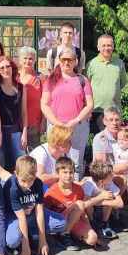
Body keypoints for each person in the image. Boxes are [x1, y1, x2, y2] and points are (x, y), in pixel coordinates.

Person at [41, 47, 94, 180]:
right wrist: (56, 123)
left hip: (78, 126)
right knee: (54, 161)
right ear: (59, 61)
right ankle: (57, 189)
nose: (66, 62)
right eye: (63, 59)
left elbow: (90, 104)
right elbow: (44, 104)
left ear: (75, 61)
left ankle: (75, 188)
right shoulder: (51, 80)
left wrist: (76, 120)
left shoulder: (82, 80)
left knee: (76, 163)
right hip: (56, 127)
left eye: (70, 60)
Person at [3, 156, 66, 255]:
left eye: (30, 180)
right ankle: (25, 237)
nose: (27, 185)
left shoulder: (38, 183)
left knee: (61, 223)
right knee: (12, 241)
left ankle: (32, 235)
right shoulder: (12, 188)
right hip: (15, 216)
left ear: (35, 175)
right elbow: (21, 218)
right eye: (23, 180)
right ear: (16, 174)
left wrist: (42, 240)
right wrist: (25, 246)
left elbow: (39, 210)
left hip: (31, 214)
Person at [44, 156, 100, 250]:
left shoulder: (78, 189)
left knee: (92, 239)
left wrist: (90, 228)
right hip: (61, 221)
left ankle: (69, 234)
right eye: (65, 172)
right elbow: (45, 213)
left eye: (71, 172)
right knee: (79, 204)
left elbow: (83, 212)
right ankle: (64, 234)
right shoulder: (51, 192)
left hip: (76, 221)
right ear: (57, 173)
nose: (68, 175)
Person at [85, 34, 127, 134]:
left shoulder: (119, 63)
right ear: (98, 47)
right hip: (96, 110)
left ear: (113, 47)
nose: (106, 48)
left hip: (114, 110)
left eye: (109, 45)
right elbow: (85, 88)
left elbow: (122, 84)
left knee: (113, 138)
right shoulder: (91, 64)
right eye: (103, 45)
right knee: (98, 139)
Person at [0, 56, 28, 171]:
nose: (5, 70)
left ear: (12, 68)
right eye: (2, 67)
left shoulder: (21, 88)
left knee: (22, 164)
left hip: (16, 131)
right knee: (1, 165)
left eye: (7, 66)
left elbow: (24, 112)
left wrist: (24, 133)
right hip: (0, 132)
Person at [83, 161, 124, 240]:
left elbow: (120, 203)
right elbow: (85, 204)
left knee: (110, 197)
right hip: (90, 211)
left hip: (102, 208)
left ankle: (104, 224)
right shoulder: (89, 184)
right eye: (111, 174)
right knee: (89, 203)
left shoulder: (110, 183)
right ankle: (92, 223)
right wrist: (101, 196)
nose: (113, 175)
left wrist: (101, 201)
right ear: (101, 181)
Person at [18, 46, 45, 149]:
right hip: (16, 125)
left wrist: (43, 122)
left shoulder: (40, 78)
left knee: (33, 153)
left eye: (30, 58)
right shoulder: (14, 77)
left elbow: (45, 101)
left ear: (34, 61)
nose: (27, 61)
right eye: (25, 58)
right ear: (20, 60)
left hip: (34, 125)